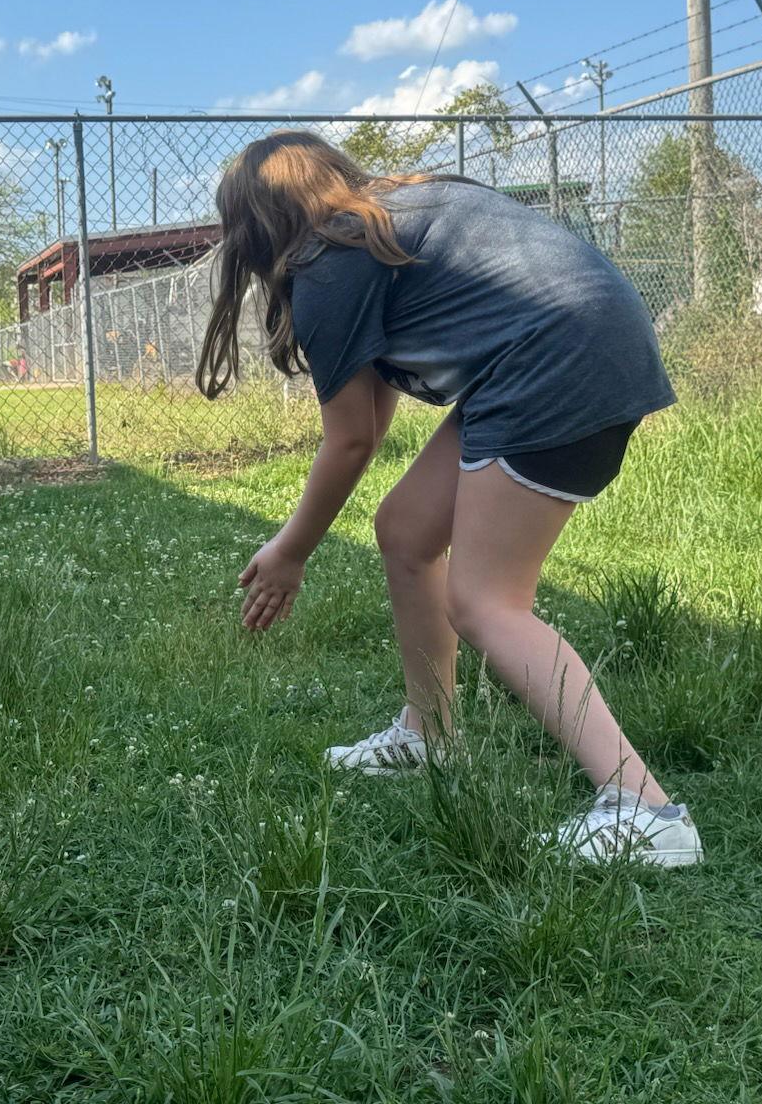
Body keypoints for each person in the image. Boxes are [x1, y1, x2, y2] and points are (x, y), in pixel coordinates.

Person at [195, 131, 702, 867]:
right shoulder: (391, 212)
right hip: (575, 341)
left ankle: (648, 811)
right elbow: (370, 422)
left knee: (488, 600)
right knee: (405, 529)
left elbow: (349, 442)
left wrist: (290, 551)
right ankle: (428, 735)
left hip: (554, 355)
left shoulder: (328, 261)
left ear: (254, 226)